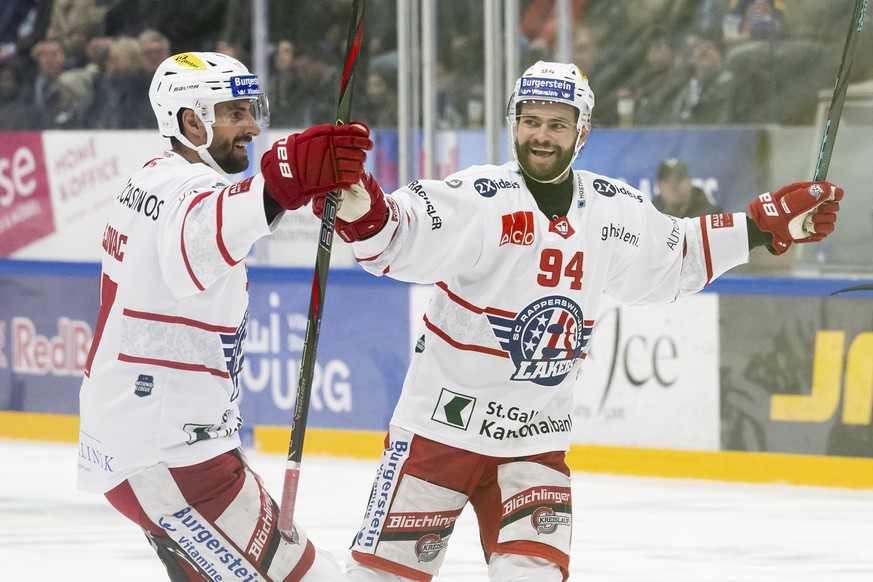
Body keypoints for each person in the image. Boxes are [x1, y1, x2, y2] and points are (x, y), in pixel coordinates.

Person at [310, 61, 843, 581]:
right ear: (513, 124)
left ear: (581, 133)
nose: (542, 136)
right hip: (437, 435)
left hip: (533, 444)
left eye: (558, 124)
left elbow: (674, 254)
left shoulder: (612, 210)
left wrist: (760, 226)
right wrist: (361, 205)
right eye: (531, 121)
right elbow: (400, 235)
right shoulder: (479, 197)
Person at [76, 51, 374, 581]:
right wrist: (286, 178)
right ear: (190, 121)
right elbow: (210, 225)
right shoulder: (181, 191)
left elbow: (225, 212)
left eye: (251, 109)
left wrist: (293, 186)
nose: (253, 126)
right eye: (234, 112)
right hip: (170, 456)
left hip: (152, 447)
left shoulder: (154, 178)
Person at [653, 157, 722, 217]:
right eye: (668, 181)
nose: (674, 186)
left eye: (679, 179)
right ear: (659, 185)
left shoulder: (711, 216)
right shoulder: (650, 216)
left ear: (689, 182)